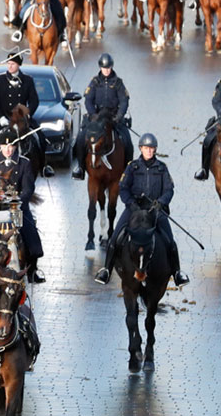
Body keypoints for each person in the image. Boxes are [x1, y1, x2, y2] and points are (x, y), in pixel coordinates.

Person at [94, 134, 187, 287]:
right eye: (146, 148)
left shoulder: (162, 168)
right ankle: (106, 270)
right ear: (140, 149)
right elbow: (123, 188)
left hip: (155, 209)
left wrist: (161, 202)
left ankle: (177, 273)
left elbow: (169, 190)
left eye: (151, 148)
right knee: (115, 238)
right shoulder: (132, 166)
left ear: (155, 149)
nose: (149, 151)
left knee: (170, 242)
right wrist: (131, 204)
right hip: (134, 209)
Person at [74, 52, 132, 180]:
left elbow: (124, 101)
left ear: (111, 67)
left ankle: (127, 171)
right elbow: (88, 100)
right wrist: (93, 115)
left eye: (108, 68)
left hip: (113, 117)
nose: (106, 70)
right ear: (100, 67)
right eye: (104, 68)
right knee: (81, 138)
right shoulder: (94, 82)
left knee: (127, 141)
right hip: (97, 117)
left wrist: (119, 116)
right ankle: (80, 168)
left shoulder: (118, 83)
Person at [0, 134, 45, 283]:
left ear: (15, 147)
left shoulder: (24, 163)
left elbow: (28, 188)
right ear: (0, 147)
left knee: (31, 238)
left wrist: (17, 201)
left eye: (11, 146)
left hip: (18, 207)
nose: (8, 150)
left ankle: (32, 271)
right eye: (5, 147)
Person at [0, 51, 41, 136]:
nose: (10, 66)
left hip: (21, 118)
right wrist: (1, 118)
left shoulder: (28, 80)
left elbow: (34, 101)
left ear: (19, 65)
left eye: (12, 64)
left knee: (39, 137)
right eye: (8, 63)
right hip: (3, 118)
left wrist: (27, 114)